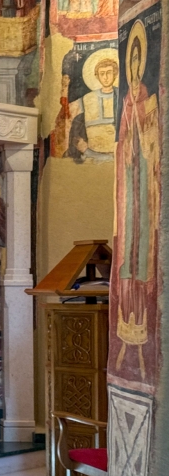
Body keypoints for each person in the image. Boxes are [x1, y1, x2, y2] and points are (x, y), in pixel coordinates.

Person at [114, 24, 160, 371]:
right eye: (128, 63)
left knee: (143, 256)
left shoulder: (149, 101)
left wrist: (141, 144)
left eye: (135, 63)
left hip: (145, 185)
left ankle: (143, 337)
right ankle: (127, 336)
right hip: (128, 185)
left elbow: (154, 146)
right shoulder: (127, 102)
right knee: (128, 259)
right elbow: (120, 148)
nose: (132, 69)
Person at [67, 56, 118, 162]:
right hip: (92, 153)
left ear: (115, 74)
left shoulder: (122, 96)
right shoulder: (87, 98)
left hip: (117, 153)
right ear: (97, 76)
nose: (105, 77)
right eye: (102, 74)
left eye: (109, 73)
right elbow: (69, 114)